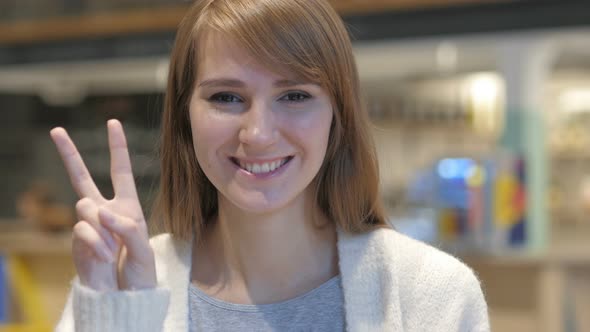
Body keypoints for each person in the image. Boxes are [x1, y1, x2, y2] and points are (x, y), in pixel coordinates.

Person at [52, 0, 490, 331]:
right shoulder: (121, 288)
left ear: (338, 115)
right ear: (185, 114)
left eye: (295, 96)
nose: (258, 133)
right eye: (226, 97)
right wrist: (119, 316)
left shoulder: (429, 293)